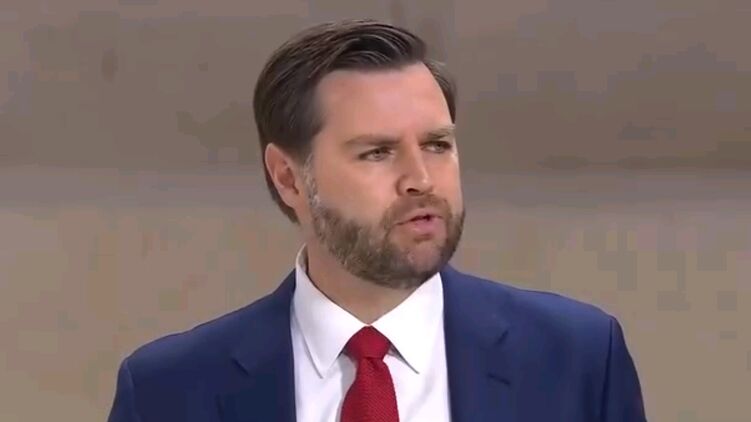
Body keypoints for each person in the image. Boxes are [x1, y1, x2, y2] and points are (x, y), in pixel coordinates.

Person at [108, 19, 647, 422]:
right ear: (288, 178)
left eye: (437, 145)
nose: (421, 179)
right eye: (377, 152)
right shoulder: (168, 393)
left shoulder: (577, 359)